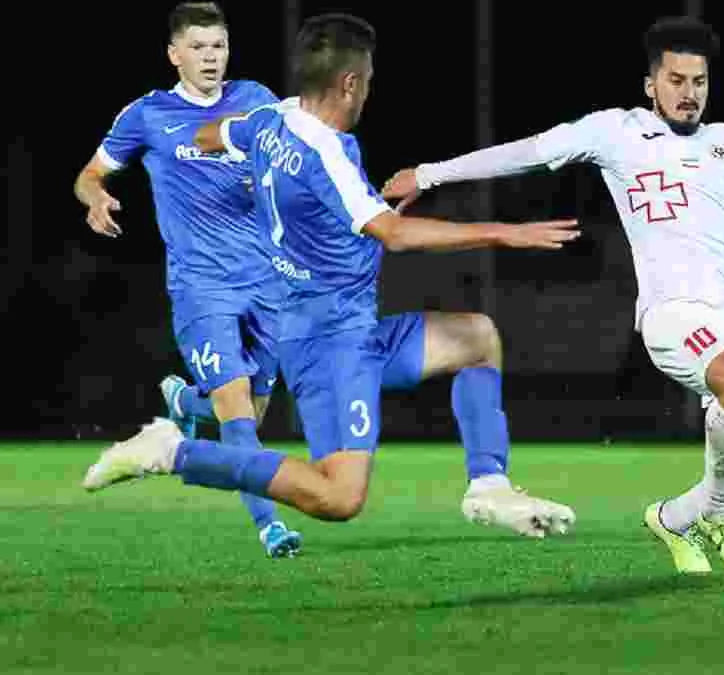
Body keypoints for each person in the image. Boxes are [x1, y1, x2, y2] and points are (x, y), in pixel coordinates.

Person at [380, 16, 724, 574]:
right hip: (671, 314)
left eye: (699, 82)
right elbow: (527, 150)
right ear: (651, 84)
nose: (688, 93)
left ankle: (674, 519)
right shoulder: (616, 132)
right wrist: (428, 174)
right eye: (676, 80)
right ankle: (719, 516)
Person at [81, 12, 579, 540]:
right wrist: (507, 233)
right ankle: (174, 452)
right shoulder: (324, 148)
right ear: (349, 83)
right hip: (330, 343)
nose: (367, 91)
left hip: (345, 325)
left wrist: (254, 186)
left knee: (477, 338)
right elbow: (395, 234)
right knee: (338, 498)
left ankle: (488, 487)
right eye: (368, 80)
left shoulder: (272, 118)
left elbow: (208, 136)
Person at [73, 1, 301, 557]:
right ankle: (271, 527)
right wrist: (95, 197)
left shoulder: (256, 100)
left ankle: (183, 403)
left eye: (218, 46)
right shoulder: (148, 114)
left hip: (266, 281)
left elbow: (290, 163)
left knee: (251, 412)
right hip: (201, 287)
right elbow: (90, 174)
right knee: (237, 411)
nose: (210, 57)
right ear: (175, 54)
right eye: (198, 47)